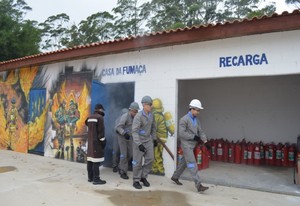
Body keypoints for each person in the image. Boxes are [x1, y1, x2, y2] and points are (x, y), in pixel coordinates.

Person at [171, 99, 211, 193]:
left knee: (184, 163)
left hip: (192, 145)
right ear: (191, 109)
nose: (198, 112)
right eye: (197, 110)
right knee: (192, 164)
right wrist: (194, 137)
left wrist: (205, 142)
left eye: (199, 110)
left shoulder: (196, 120)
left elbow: (200, 131)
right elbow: (182, 133)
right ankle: (198, 185)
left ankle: (175, 177)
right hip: (186, 145)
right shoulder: (183, 120)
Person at [131, 96, 157, 189]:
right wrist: (139, 144)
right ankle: (136, 180)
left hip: (148, 140)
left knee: (150, 159)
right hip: (139, 141)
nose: (151, 106)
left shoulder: (151, 115)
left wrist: (154, 139)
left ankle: (143, 176)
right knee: (137, 162)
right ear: (144, 105)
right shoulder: (138, 116)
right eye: (150, 104)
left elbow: (154, 127)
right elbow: (134, 131)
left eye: (151, 104)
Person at [115, 102, 140, 179]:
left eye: (137, 111)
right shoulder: (125, 116)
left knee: (131, 154)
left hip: (130, 138)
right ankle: (123, 171)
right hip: (122, 137)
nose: (136, 113)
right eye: (135, 111)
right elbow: (118, 127)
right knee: (124, 155)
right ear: (130, 110)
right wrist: (124, 133)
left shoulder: (136, 117)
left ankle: (120, 166)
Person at [85, 104, 106, 185]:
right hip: (96, 143)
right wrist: (103, 142)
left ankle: (90, 178)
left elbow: (87, 124)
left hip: (90, 143)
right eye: (102, 110)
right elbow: (101, 132)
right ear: (100, 110)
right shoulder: (100, 118)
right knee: (96, 161)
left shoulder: (89, 117)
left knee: (90, 160)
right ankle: (96, 179)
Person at [112, 108, 129, 173]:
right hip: (117, 137)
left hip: (123, 138)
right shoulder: (118, 119)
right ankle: (115, 166)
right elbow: (115, 128)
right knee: (116, 152)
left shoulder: (128, 119)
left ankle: (120, 166)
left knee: (123, 153)